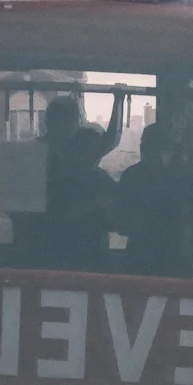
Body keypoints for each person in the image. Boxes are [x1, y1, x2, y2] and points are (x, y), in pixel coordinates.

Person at [41, 90, 127, 268]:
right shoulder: (59, 174)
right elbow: (57, 216)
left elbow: (117, 221)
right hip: (64, 251)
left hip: (92, 252)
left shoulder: (101, 179)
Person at [114, 122, 193, 275]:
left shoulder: (185, 178)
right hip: (145, 258)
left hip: (172, 258)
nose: (150, 153)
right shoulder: (133, 177)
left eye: (157, 147)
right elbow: (121, 224)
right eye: (146, 147)